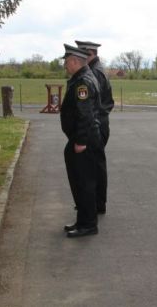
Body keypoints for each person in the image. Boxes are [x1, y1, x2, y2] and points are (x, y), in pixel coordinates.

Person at [60, 44, 104, 237]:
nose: (65, 65)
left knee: (84, 182)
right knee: (79, 180)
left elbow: (85, 115)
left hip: (84, 140)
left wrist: (80, 141)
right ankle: (83, 220)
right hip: (82, 138)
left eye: (67, 62)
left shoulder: (82, 83)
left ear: (76, 61)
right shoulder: (81, 78)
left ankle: (88, 224)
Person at [76, 40, 115, 214]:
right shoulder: (97, 69)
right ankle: (95, 203)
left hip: (97, 124)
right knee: (95, 165)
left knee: (94, 167)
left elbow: (93, 105)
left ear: (88, 54)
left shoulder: (95, 72)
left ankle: (97, 204)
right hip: (99, 122)